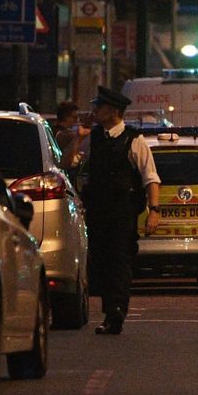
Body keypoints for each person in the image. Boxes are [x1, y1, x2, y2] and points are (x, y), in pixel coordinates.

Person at [64, 87, 160, 335]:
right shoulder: (93, 138)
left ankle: (115, 312)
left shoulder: (134, 140)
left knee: (119, 261)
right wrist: (79, 137)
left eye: (99, 107)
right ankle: (111, 310)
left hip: (122, 211)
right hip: (98, 211)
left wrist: (154, 210)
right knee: (102, 262)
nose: (94, 110)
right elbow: (66, 164)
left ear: (113, 111)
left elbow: (151, 178)